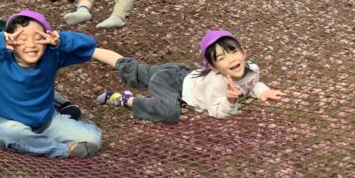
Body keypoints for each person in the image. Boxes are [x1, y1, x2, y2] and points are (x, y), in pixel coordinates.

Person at [0, 9, 102, 158]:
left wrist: (61, 39)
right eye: (22, 39)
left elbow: (89, 45)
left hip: (46, 121)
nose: (31, 45)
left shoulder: (52, 55)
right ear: (10, 41)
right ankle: (63, 150)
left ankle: (44, 139)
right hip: (6, 122)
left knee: (93, 139)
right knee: (10, 133)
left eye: (38, 38)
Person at [91, 30, 283, 123]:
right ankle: (126, 99)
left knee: (134, 70)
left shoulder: (252, 68)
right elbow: (216, 111)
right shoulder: (216, 83)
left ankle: (92, 51)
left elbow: (252, 84)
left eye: (233, 52)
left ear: (243, 52)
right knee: (169, 113)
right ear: (214, 68)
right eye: (221, 58)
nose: (231, 59)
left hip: (181, 73)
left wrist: (263, 91)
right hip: (173, 82)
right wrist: (230, 100)